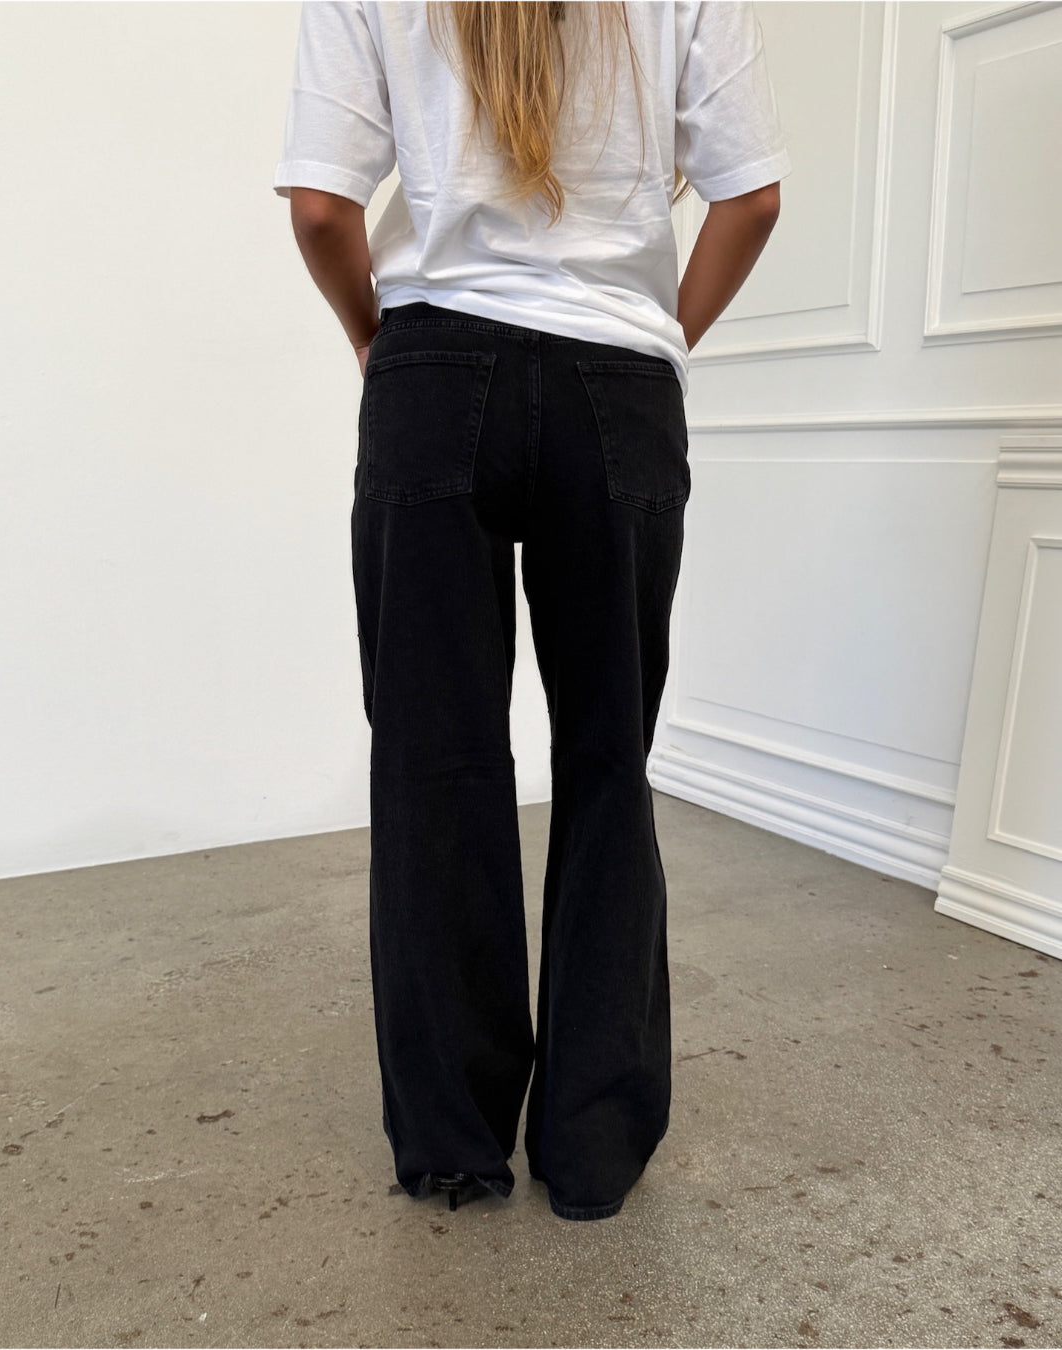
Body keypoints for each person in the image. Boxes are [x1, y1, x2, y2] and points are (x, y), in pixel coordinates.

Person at [273, 0, 791, 1222]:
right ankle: (594, 1142)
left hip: (434, 368)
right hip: (618, 385)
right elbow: (753, 197)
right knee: (609, 762)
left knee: (432, 762)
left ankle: (454, 1142)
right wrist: (655, 336)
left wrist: (375, 341)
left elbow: (321, 208)